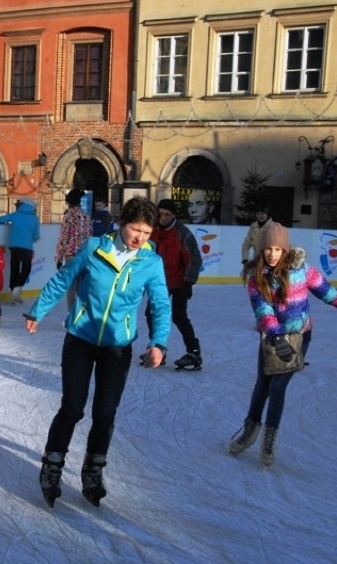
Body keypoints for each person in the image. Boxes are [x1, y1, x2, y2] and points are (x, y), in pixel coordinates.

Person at [24, 197, 172, 508]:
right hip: (80, 338)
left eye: (147, 232)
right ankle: (52, 466)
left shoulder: (151, 263)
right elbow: (64, 279)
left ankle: (93, 470)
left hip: (118, 347)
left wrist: (158, 343)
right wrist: (37, 311)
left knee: (105, 414)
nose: (140, 238)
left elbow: (160, 305)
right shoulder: (93, 248)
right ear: (122, 223)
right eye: (135, 230)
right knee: (73, 408)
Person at [228, 222, 337, 467]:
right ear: (261, 249)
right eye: (267, 249)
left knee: (278, 387)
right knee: (262, 385)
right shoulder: (256, 278)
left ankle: (269, 440)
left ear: (285, 249)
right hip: (272, 337)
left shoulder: (303, 271)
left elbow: (328, 293)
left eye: (277, 248)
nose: (272, 254)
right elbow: (262, 310)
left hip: (299, 337)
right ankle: (249, 430)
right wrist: (275, 336)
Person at [149, 199, 203, 370]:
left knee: (179, 316)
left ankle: (194, 352)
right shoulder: (153, 232)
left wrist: (188, 283)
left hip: (179, 282)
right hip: (158, 283)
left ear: (174, 216)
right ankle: (157, 349)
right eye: (161, 214)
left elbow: (194, 260)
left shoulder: (182, 233)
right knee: (151, 314)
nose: (163, 217)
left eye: (167, 214)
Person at [0, 197, 40, 305]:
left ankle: (13, 293)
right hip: (27, 247)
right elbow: (36, 235)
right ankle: (17, 289)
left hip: (14, 245)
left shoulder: (15, 215)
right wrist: (31, 238)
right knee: (26, 268)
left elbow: (0, 220)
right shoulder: (34, 219)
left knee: (14, 269)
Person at [55, 188, 92, 310]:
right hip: (84, 255)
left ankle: (71, 313)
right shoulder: (86, 216)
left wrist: (59, 257)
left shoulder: (68, 216)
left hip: (71, 254)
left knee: (70, 285)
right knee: (81, 286)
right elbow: (90, 235)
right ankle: (81, 313)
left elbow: (64, 237)